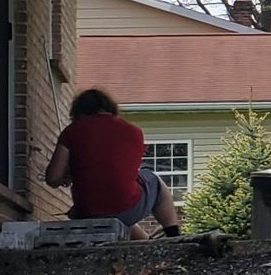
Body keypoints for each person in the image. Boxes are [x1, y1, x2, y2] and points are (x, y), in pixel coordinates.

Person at [44, 88, 183, 239]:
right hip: (127, 208)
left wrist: (69, 175)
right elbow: (118, 171)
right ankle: (173, 236)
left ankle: (148, 241)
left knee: (112, 213)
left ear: (79, 111)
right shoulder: (134, 131)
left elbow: (52, 178)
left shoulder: (72, 131)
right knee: (154, 182)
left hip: (87, 213)